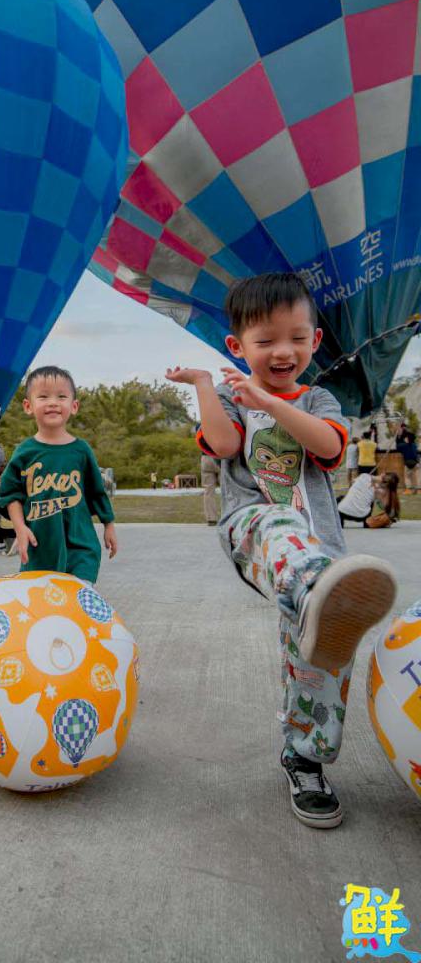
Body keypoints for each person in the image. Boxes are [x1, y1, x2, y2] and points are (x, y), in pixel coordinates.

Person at [166, 272, 396, 830]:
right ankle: (322, 589)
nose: (282, 351)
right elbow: (223, 444)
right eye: (265, 342)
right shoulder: (229, 395)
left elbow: (328, 448)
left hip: (320, 548)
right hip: (254, 529)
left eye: (296, 337)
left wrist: (270, 400)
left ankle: (307, 758)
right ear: (238, 348)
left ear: (315, 342)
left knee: (320, 656)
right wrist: (204, 385)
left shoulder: (321, 399)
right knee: (278, 521)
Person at [0, 366, 117, 582]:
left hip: (80, 547)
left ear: (74, 405)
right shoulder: (25, 452)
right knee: (42, 609)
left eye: (61, 396)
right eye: (43, 396)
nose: (53, 402)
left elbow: (97, 491)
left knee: (76, 605)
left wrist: (109, 525)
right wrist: (20, 527)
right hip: (39, 547)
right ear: (28, 406)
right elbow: (10, 493)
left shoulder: (81, 450)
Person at [396, 422, 420, 494]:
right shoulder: (414, 445)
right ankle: (415, 488)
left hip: (408, 463)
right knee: (414, 477)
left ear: (408, 439)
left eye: (406, 438)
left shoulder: (404, 445)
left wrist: (398, 435)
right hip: (415, 463)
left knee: (407, 477)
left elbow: (397, 446)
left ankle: (408, 490)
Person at [200, 452, 220, 525]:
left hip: (206, 457)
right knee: (226, 489)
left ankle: (211, 518)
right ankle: (228, 515)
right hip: (221, 457)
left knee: (208, 491)